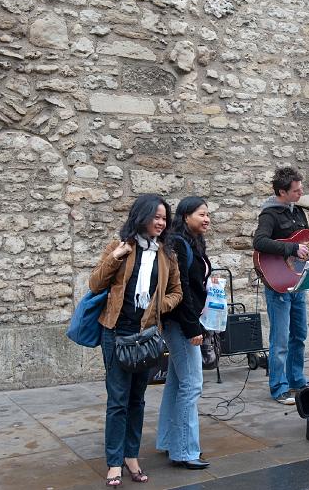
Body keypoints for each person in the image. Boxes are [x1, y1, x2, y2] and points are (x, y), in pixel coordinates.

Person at [89, 194, 183, 487]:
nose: (161, 222)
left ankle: (132, 456)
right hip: (115, 333)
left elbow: (176, 292)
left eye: (164, 218)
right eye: (156, 216)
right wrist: (115, 257)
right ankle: (114, 462)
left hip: (146, 337)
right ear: (140, 216)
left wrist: (158, 308)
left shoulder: (167, 254)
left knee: (137, 400)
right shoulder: (121, 248)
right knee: (118, 400)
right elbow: (95, 284)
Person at [252, 166, 309, 405]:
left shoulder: (298, 212)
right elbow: (260, 242)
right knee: (280, 339)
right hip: (278, 284)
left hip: (298, 281)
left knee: (300, 335)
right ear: (282, 191)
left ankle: (296, 379)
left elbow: (308, 248)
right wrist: (291, 248)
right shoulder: (270, 214)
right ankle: (279, 387)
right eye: (296, 190)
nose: (301, 192)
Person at [157, 196, 212, 470]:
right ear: (186, 215)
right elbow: (181, 291)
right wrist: (193, 328)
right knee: (192, 385)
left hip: (182, 321)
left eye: (207, 214)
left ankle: (169, 441)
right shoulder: (178, 242)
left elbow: (193, 283)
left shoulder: (192, 241)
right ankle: (185, 451)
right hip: (180, 323)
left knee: (177, 383)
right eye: (202, 214)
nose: (207, 219)